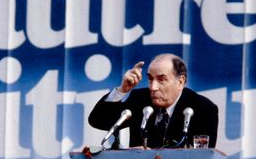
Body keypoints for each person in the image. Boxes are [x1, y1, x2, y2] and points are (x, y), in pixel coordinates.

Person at [88, 53, 219, 149]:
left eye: (161, 79)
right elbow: (98, 120)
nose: (153, 87)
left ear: (180, 82)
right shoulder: (140, 99)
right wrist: (122, 90)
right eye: (150, 79)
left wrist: (154, 157)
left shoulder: (204, 109)